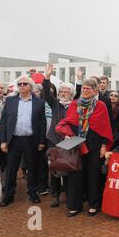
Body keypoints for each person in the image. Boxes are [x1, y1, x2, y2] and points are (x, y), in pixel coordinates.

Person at [56, 78, 113, 217]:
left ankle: (94, 205)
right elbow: (67, 122)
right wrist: (68, 135)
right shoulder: (74, 104)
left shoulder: (100, 106)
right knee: (75, 175)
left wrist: (104, 145)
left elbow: (105, 127)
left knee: (93, 176)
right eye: (84, 88)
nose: (86, 91)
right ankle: (75, 206)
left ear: (95, 91)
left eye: (89, 88)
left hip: (95, 145)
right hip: (76, 145)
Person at [0, 76, 47, 207]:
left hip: (31, 140)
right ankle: (8, 195)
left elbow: (43, 123)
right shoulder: (10, 101)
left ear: (30, 86)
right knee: (11, 169)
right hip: (14, 140)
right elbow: (4, 122)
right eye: (19, 84)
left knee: (33, 168)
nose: (21, 85)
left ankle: (33, 192)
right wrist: (3, 141)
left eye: (24, 83)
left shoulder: (39, 102)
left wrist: (41, 141)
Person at [43, 63, 75, 208]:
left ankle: (69, 195)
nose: (63, 93)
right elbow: (46, 93)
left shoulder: (76, 105)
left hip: (69, 142)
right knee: (54, 169)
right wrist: (47, 77)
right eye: (61, 91)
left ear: (71, 94)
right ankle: (55, 196)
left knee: (68, 168)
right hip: (54, 140)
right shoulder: (55, 103)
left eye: (66, 91)